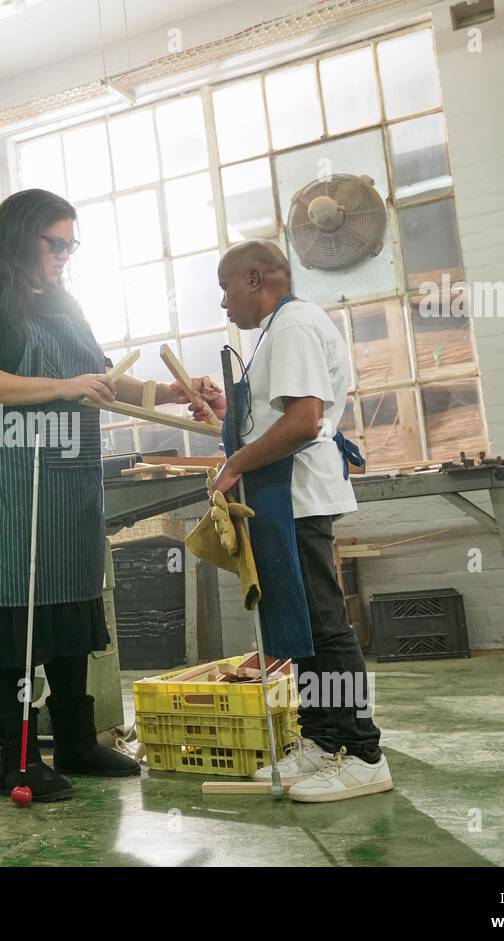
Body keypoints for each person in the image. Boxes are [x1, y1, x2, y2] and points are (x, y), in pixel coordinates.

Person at [0, 188, 213, 802]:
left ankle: (79, 742)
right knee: (19, 613)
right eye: (54, 243)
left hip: (66, 477)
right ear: (18, 236)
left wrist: (170, 394)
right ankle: (17, 758)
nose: (64, 255)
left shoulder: (63, 301)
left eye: (71, 245)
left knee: (67, 603)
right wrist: (62, 385)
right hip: (6, 479)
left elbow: (101, 383)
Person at [199, 239, 392, 803]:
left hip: (298, 497)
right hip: (282, 498)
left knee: (325, 626)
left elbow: (305, 421)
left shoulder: (293, 326)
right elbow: (276, 416)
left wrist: (235, 463)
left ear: (256, 278)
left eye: (225, 287)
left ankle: (362, 752)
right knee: (301, 628)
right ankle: (322, 737)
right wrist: (225, 417)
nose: (223, 302)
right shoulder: (276, 333)